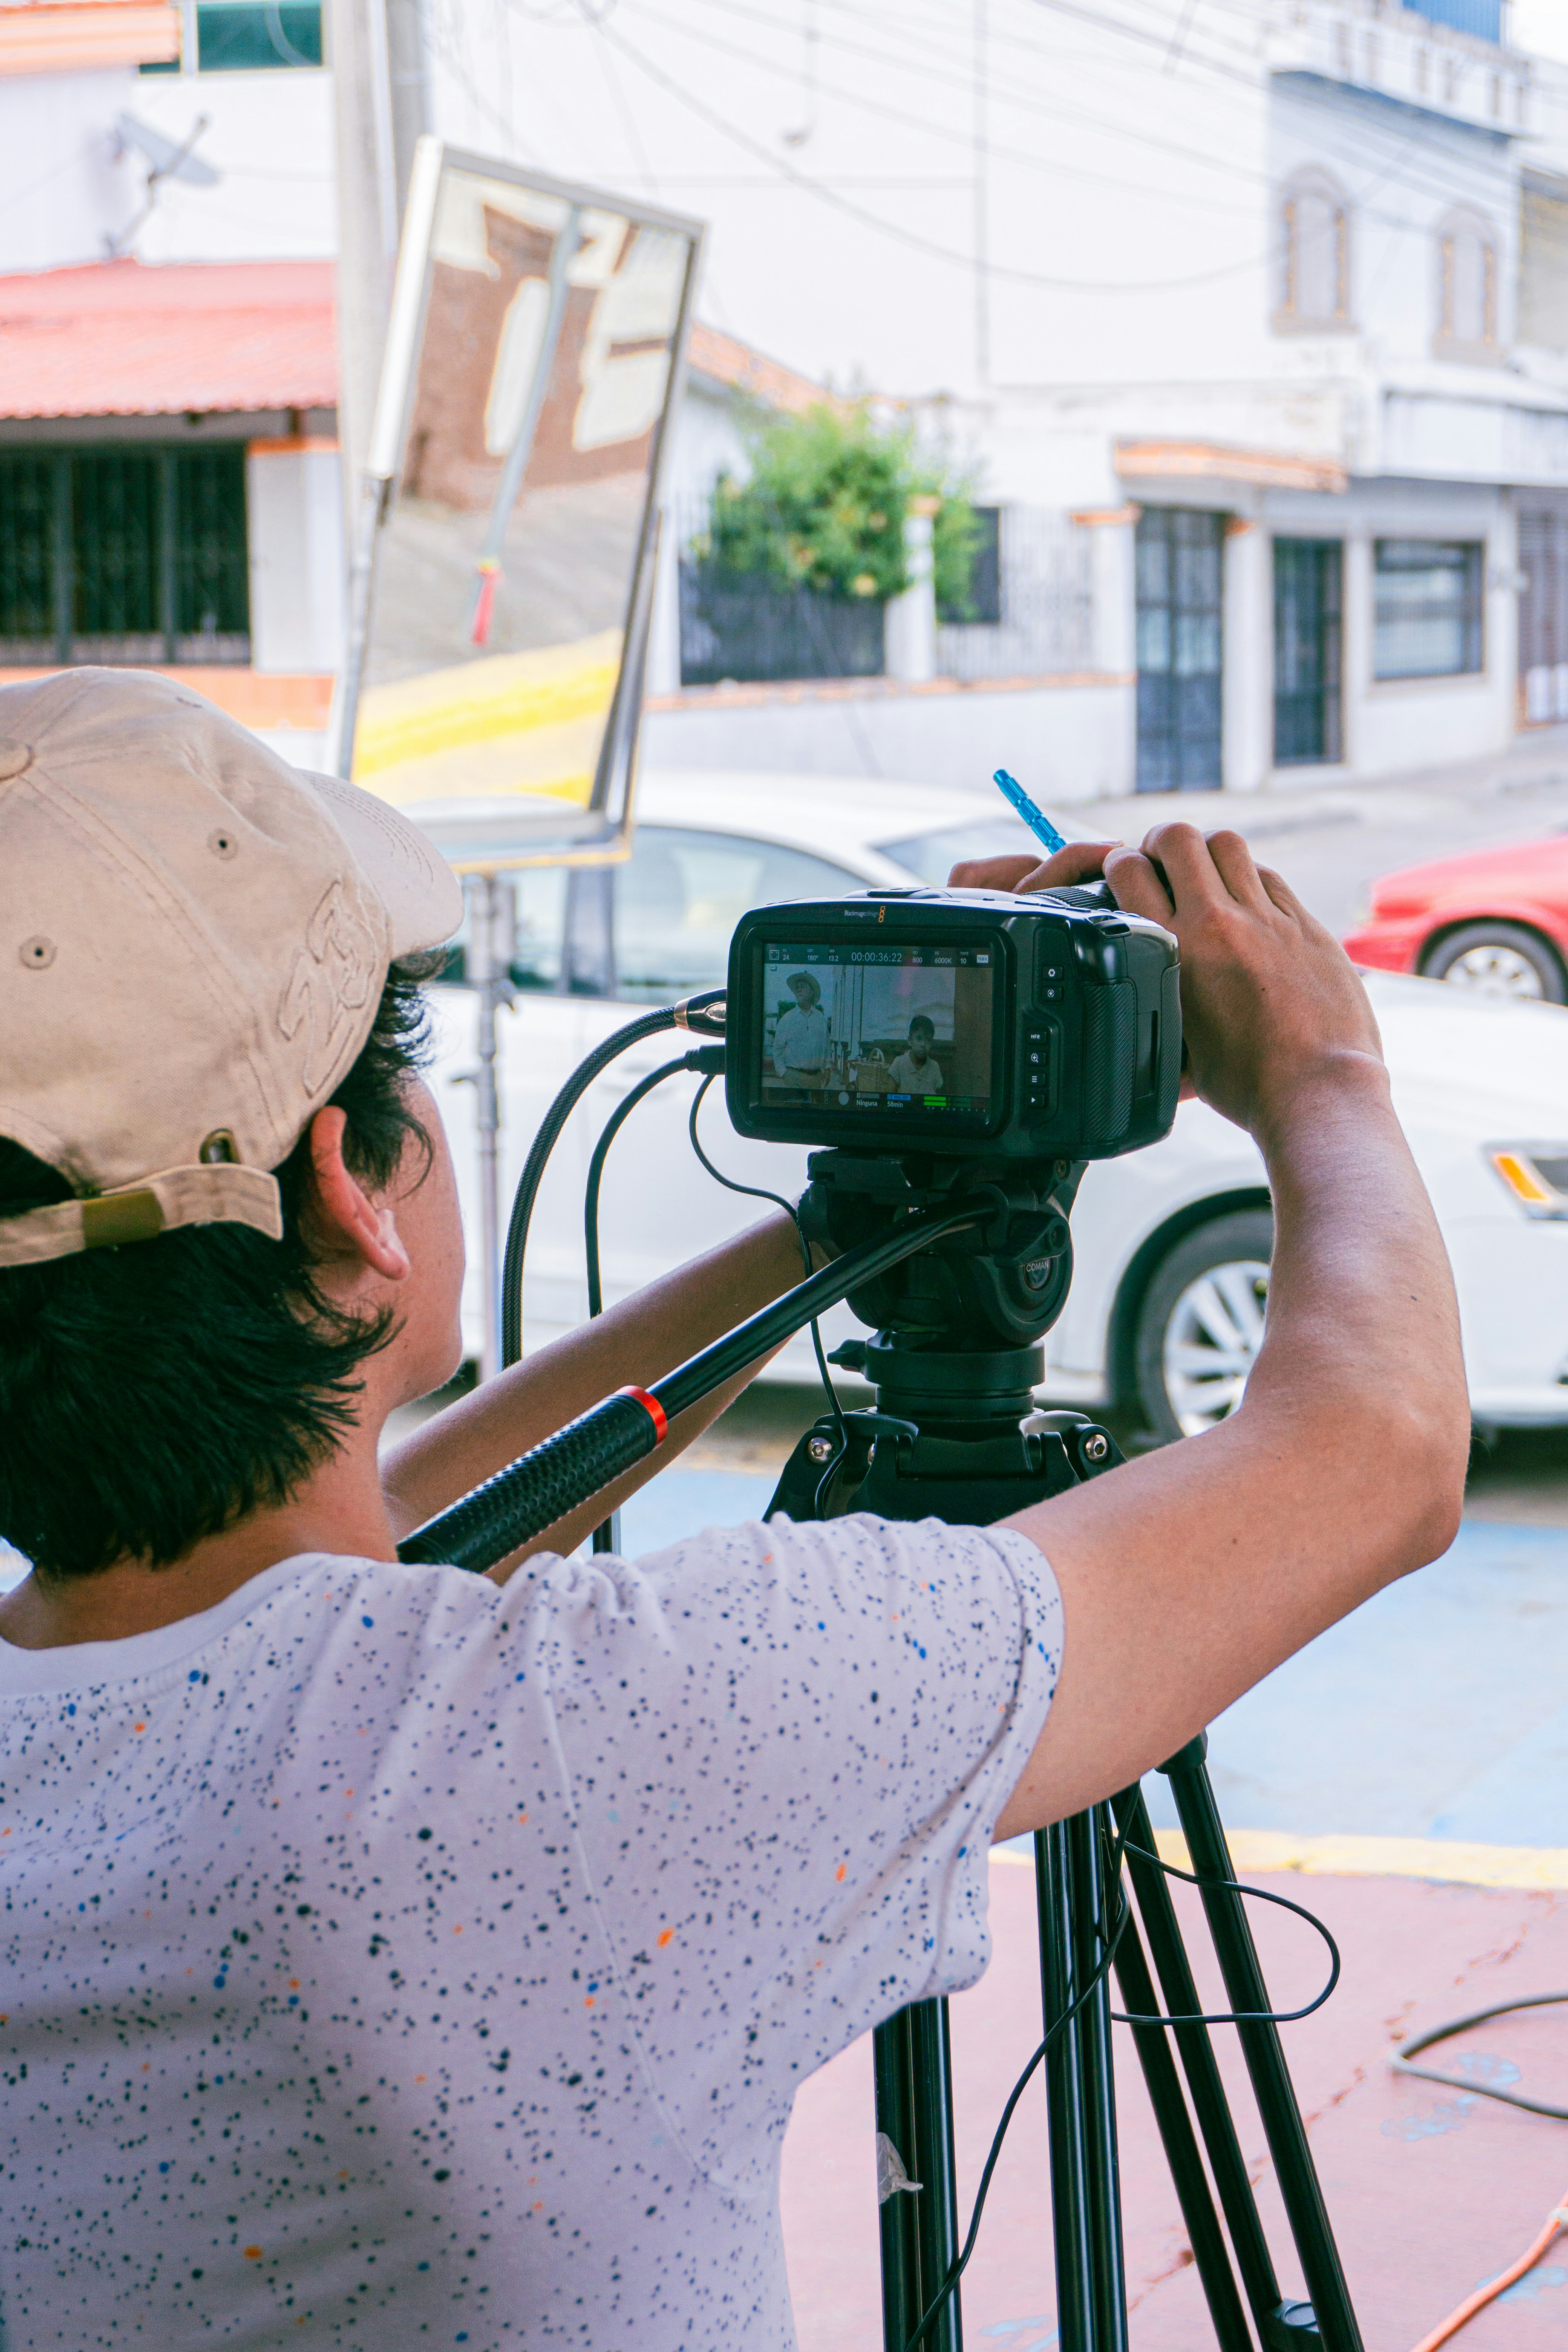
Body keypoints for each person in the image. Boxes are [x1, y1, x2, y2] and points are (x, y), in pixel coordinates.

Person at [0, 669, 1468, 2351]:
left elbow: (360, 1562)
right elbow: (1379, 1447)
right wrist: (1322, 1075)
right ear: (353, 1191)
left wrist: (852, 1220)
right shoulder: (599, 1743)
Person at [770, 967, 829, 1081]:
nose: (799, 990)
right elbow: (778, 1048)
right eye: (797, 988)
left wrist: (827, 1068)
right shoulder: (788, 1019)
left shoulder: (820, 1018)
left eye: (803, 987)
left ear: (811, 992)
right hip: (794, 1077)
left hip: (817, 1077)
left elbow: (826, 1045)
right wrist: (784, 1074)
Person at [888, 1011, 943, 1094]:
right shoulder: (899, 1063)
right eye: (919, 1039)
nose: (923, 1045)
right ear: (910, 1041)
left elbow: (939, 1100)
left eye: (928, 1040)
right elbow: (889, 1097)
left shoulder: (934, 1067)